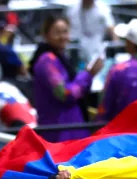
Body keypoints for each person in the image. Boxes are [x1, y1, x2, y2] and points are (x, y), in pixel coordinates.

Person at [30, 14, 103, 143]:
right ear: (46, 35)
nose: (62, 37)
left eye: (65, 32)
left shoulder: (59, 57)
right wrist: (88, 74)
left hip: (68, 129)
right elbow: (66, 94)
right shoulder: (47, 61)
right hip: (59, 132)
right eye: (57, 33)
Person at [65, 0, 114, 69]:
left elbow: (110, 27)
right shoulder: (72, 8)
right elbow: (66, 25)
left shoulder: (102, 8)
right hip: (76, 45)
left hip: (96, 44)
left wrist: (116, 47)